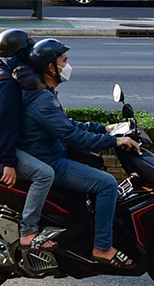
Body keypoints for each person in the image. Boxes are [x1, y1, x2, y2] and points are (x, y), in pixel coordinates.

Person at [17, 39, 141, 268]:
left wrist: (104, 128)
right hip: (50, 160)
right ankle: (102, 247)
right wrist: (115, 140)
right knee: (107, 184)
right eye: (64, 61)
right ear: (50, 67)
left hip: (52, 154)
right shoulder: (42, 99)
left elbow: (68, 125)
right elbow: (73, 137)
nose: (68, 65)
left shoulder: (44, 93)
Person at [0, 29, 54, 269]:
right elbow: (4, 125)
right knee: (44, 174)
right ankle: (28, 232)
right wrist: (8, 162)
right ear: (20, 53)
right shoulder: (7, 83)